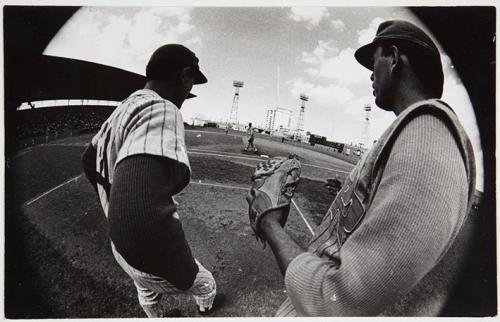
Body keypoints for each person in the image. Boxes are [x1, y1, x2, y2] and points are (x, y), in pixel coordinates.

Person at [252, 20, 476, 316]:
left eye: (375, 62)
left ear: (394, 58)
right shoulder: (412, 133)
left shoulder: (429, 134)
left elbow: (338, 300)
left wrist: (269, 223)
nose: (371, 75)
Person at [81, 44, 224, 317]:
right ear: (184, 75)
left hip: (121, 249)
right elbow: (140, 210)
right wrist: (184, 269)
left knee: (145, 291)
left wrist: (113, 200)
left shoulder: (124, 107)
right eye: (192, 80)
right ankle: (206, 311)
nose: (190, 88)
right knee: (205, 285)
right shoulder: (163, 108)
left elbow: (89, 160)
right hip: (144, 249)